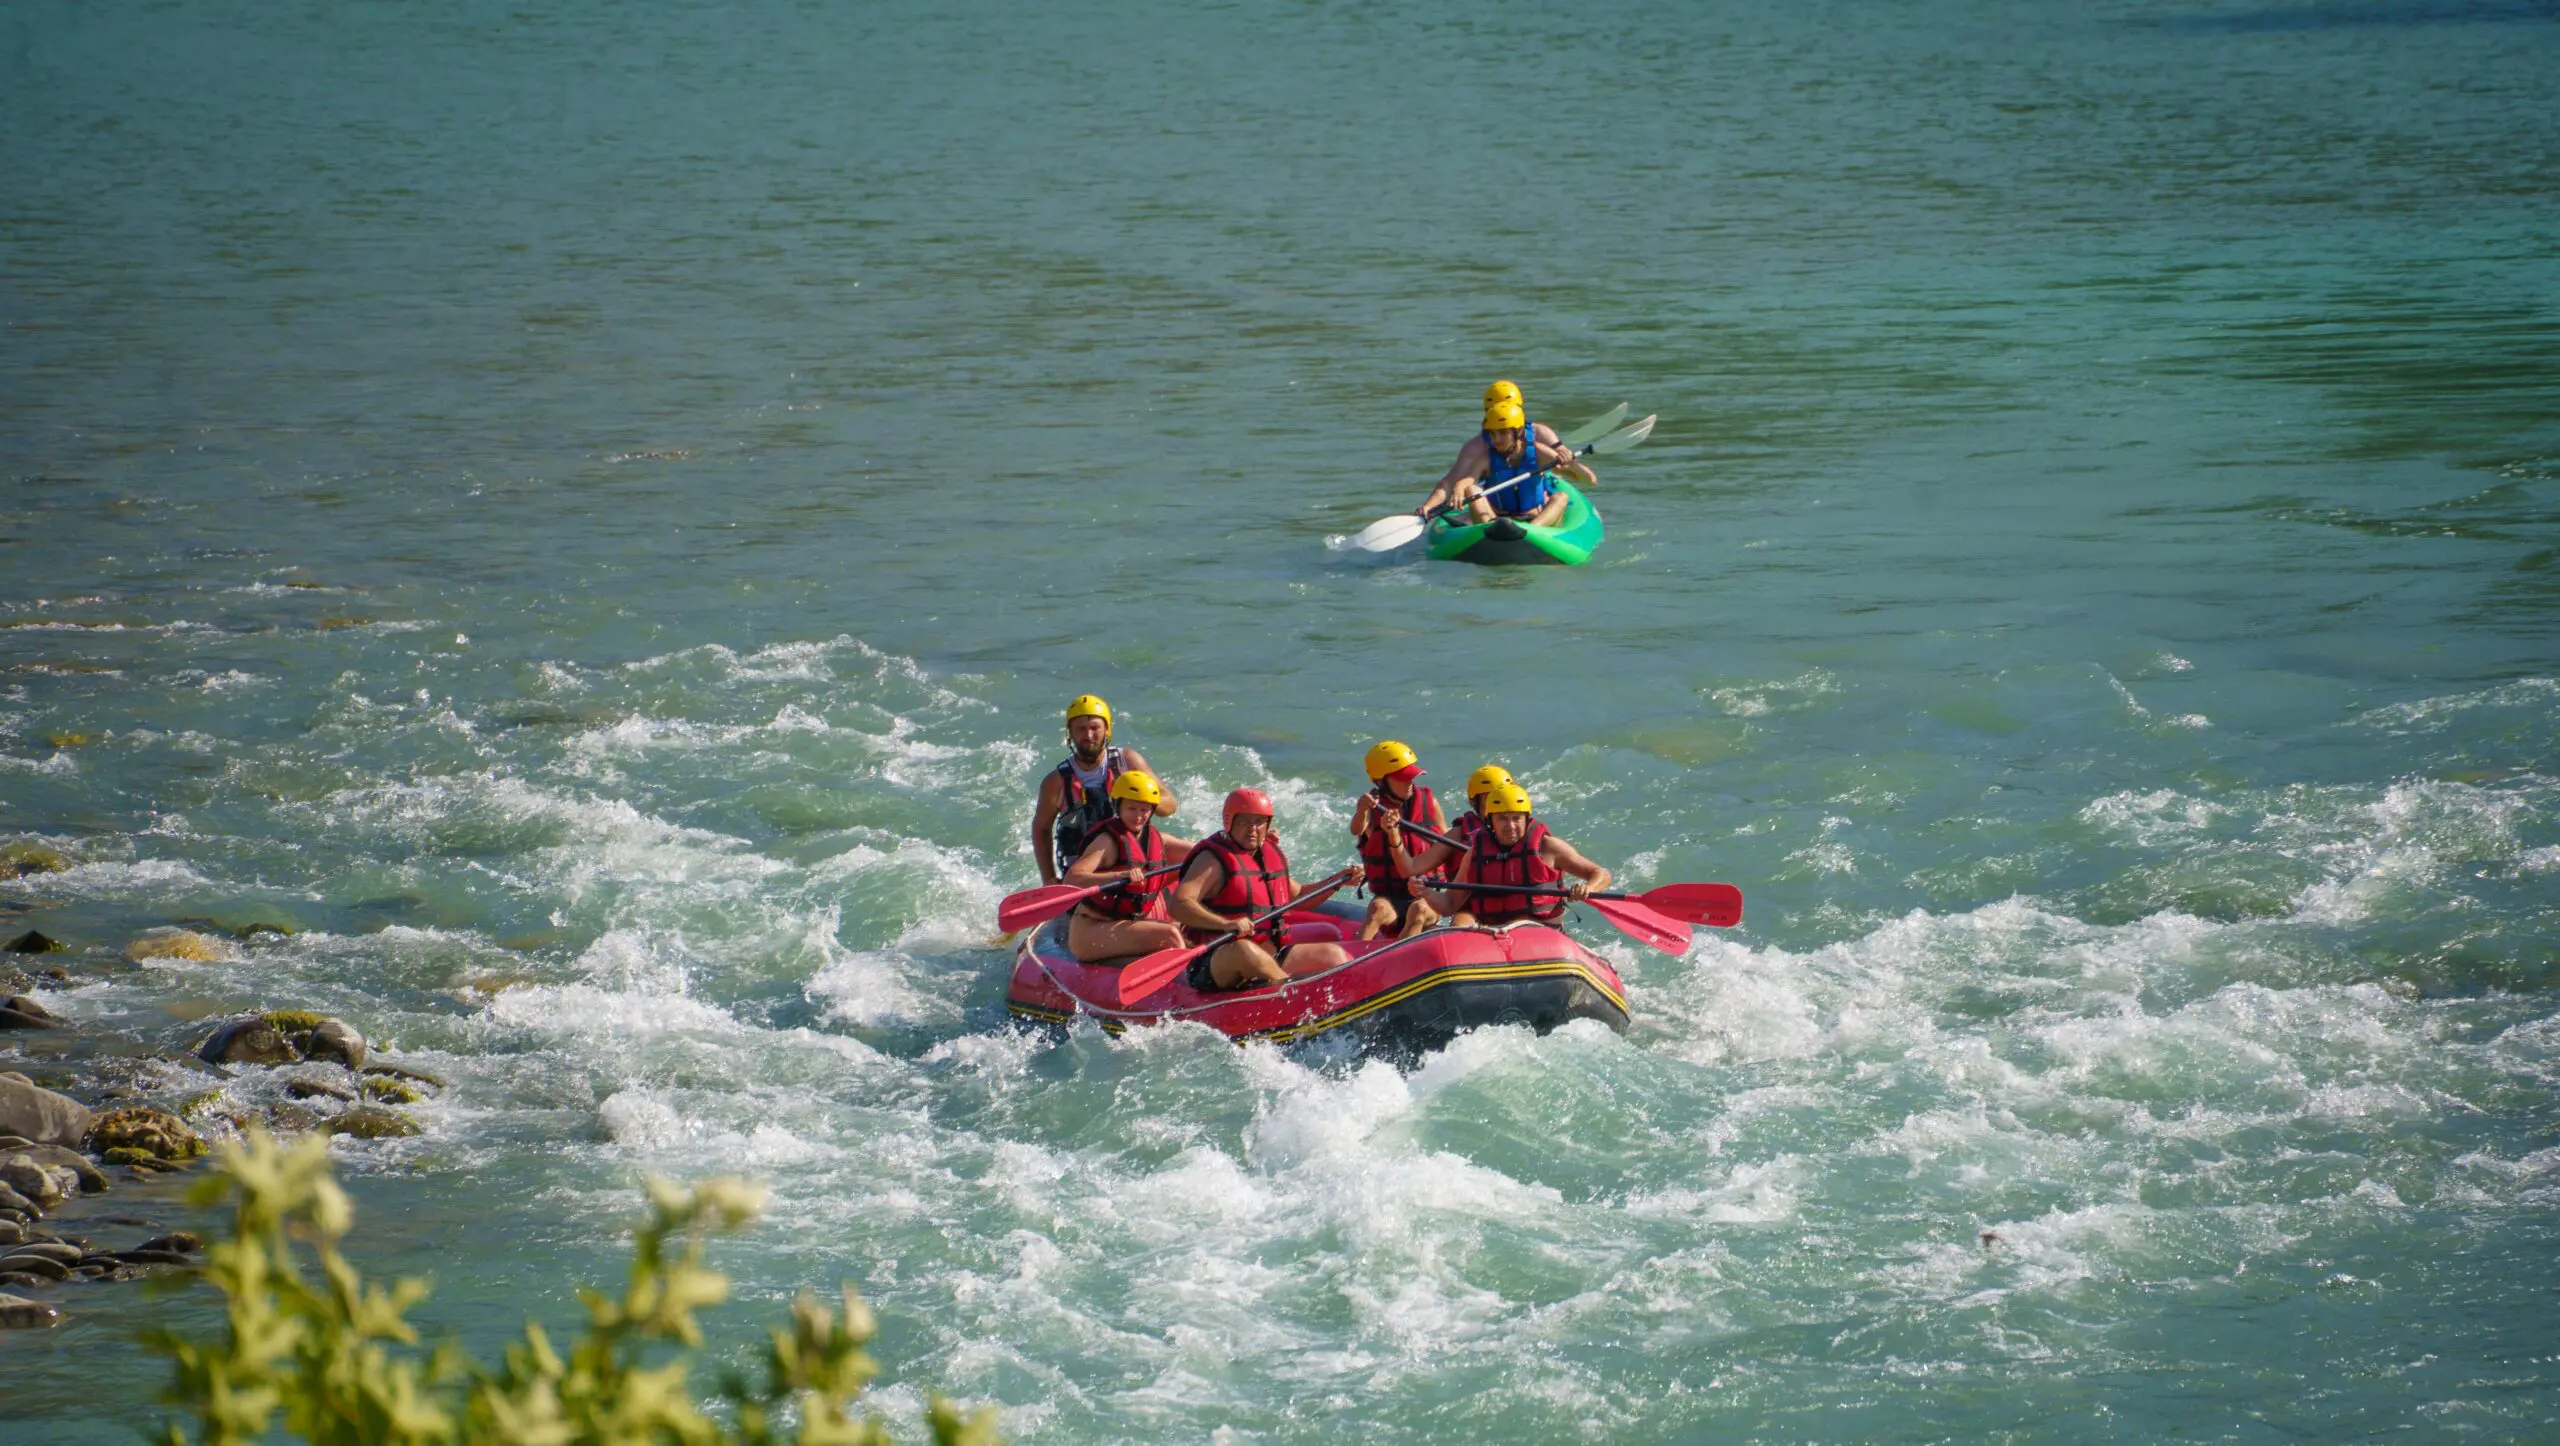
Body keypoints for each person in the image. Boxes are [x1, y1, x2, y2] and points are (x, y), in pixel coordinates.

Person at [1168, 787, 1352, 990]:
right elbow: (1179, 904)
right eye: (1244, 822)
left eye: (1259, 822)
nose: (1252, 829)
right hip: (1216, 962)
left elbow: (1299, 896)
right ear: (1229, 822)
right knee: (1243, 950)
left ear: (1268, 824)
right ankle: (1292, 995)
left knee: (1333, 956)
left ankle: (1344, 1002)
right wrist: (1225, 924)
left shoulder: (1267, 855)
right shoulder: (1212, 860)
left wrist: (1337, 881)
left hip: (1268, 953)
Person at [1031, 694, 1177, 886]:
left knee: (1185, 849)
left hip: (1132, 861)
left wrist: (1144, 797)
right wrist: (1048, 879)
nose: (1089, 735)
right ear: (1070, 733)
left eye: (1095, 728)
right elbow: (1041, 828)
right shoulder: (1056, 781)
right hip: (1085, 871)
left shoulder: (1128, 762)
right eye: (1081, 729)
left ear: (1107, 729)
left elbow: (1170, 805)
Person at [1425, 781, 1613, 928]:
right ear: (1490, 821)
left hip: (1537, 929)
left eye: (1516, 818)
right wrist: (1424, 891)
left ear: (1526, 818)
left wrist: (1588, 888)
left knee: (1521, 922)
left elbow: (1601, 874)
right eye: (1503, 819)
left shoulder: (1547, 848)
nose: (1511, 826)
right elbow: (1449, 904)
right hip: (1492, 931)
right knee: (1461, 921)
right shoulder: (1475, 853)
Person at [1414, 381, 1597, 531]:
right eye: (1493, 431)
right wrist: (1434, 504)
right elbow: (1459, 480)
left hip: (1533, 513)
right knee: (1472, 490)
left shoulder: (1539, 443)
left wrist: (1571, 462)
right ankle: (1490, 528)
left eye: (1502, 431)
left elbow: (1585, 478)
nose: (1497, 438)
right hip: (1498, 514)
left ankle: (1529, 531)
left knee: (1561, 496)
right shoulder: (1481, 451)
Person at [1060, 770, 1192, 961]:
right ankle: (1184, 980)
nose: (1139, 816)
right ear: (1118, 806)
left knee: (1190, 930)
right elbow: (1072, 879)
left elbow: (1201, 852)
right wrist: (1119, 876)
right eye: (1132, 808)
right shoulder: (1106, 842)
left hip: (1129, 924)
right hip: (1091, 931)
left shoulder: (1157, 839)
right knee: (1169, 935)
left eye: (1144, 809)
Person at [1349, 740, 1445, 941]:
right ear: (1381, 781)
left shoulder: (1429, 802)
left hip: (1426, 897)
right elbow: (1356, 829)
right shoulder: (1371, 809)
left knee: (1418, 910)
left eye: (1412, 777)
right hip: (1390, 899)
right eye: (1402, 778)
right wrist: (1362, 809)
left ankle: (1398, 963)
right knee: (1376, 908)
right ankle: (1352, 964)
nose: (1410, 782)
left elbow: (1447, 848)